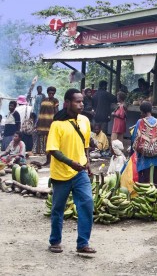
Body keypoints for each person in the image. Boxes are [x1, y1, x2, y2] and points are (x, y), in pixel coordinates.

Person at [46, 88, 95, 254]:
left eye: (82, 101)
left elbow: (85, 145)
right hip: (61, 173)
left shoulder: (85, 121)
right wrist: (70, 162)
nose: (81, 104)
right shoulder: (57, 124)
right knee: (58, 209)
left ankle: (83, 243)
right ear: (67, 103)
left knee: (87, 204)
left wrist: (87, 162)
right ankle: (55, 241)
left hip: (80, 172)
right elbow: (53, 150)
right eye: (77, 101)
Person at [131, 101, 157, 188]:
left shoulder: (140, 122)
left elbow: (134, 138)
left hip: (144, 159)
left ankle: (146, 198)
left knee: (145, 182)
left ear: (142, 112)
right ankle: (156, 197)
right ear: (151, 110)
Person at [35, 87, 59, 161]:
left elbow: (56, 111)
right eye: (49, 93)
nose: (51, 94)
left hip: (50, 121)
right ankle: (43, 153)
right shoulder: (44, 100)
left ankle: (49, 157)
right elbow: (40, 110)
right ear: (47, 93)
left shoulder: (55, 101)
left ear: (54, 93)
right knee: (41, 137)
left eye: (52, 93)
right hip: (42, 121)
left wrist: (56, 120)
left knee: (49, 138)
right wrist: (37, 121)